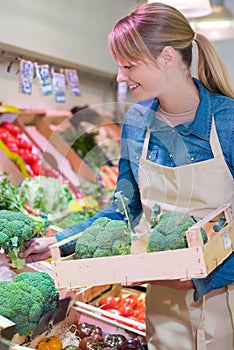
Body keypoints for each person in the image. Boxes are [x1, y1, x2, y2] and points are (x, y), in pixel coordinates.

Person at [16, 3, 234, 349]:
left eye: (128, 65)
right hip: (164, 300)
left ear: (166, 57)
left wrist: (201, 279)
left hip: (228, 294)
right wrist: (59, 242)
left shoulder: (228, 121)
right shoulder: (136, 123)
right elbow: (123, 210)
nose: (119, 77)